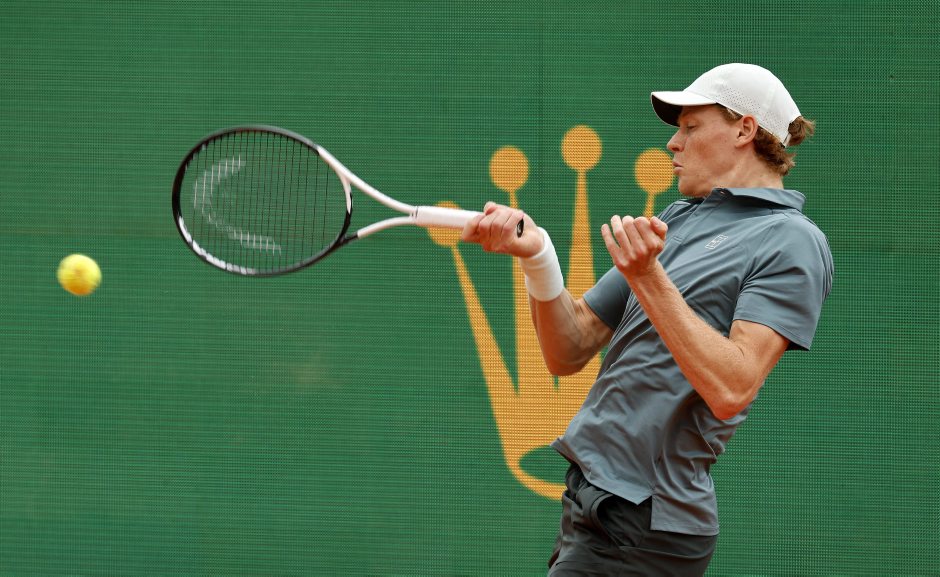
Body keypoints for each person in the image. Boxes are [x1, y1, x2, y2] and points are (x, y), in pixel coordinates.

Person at [461, 63, 834, 576]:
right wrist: (539, 256)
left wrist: (648, 276)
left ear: (745, 130)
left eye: (691, 127)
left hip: (645, 520)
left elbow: (734, 386)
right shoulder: (680, 218)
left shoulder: (792, 240)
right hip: (595, 502)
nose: (673, 144)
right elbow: (569, 347)